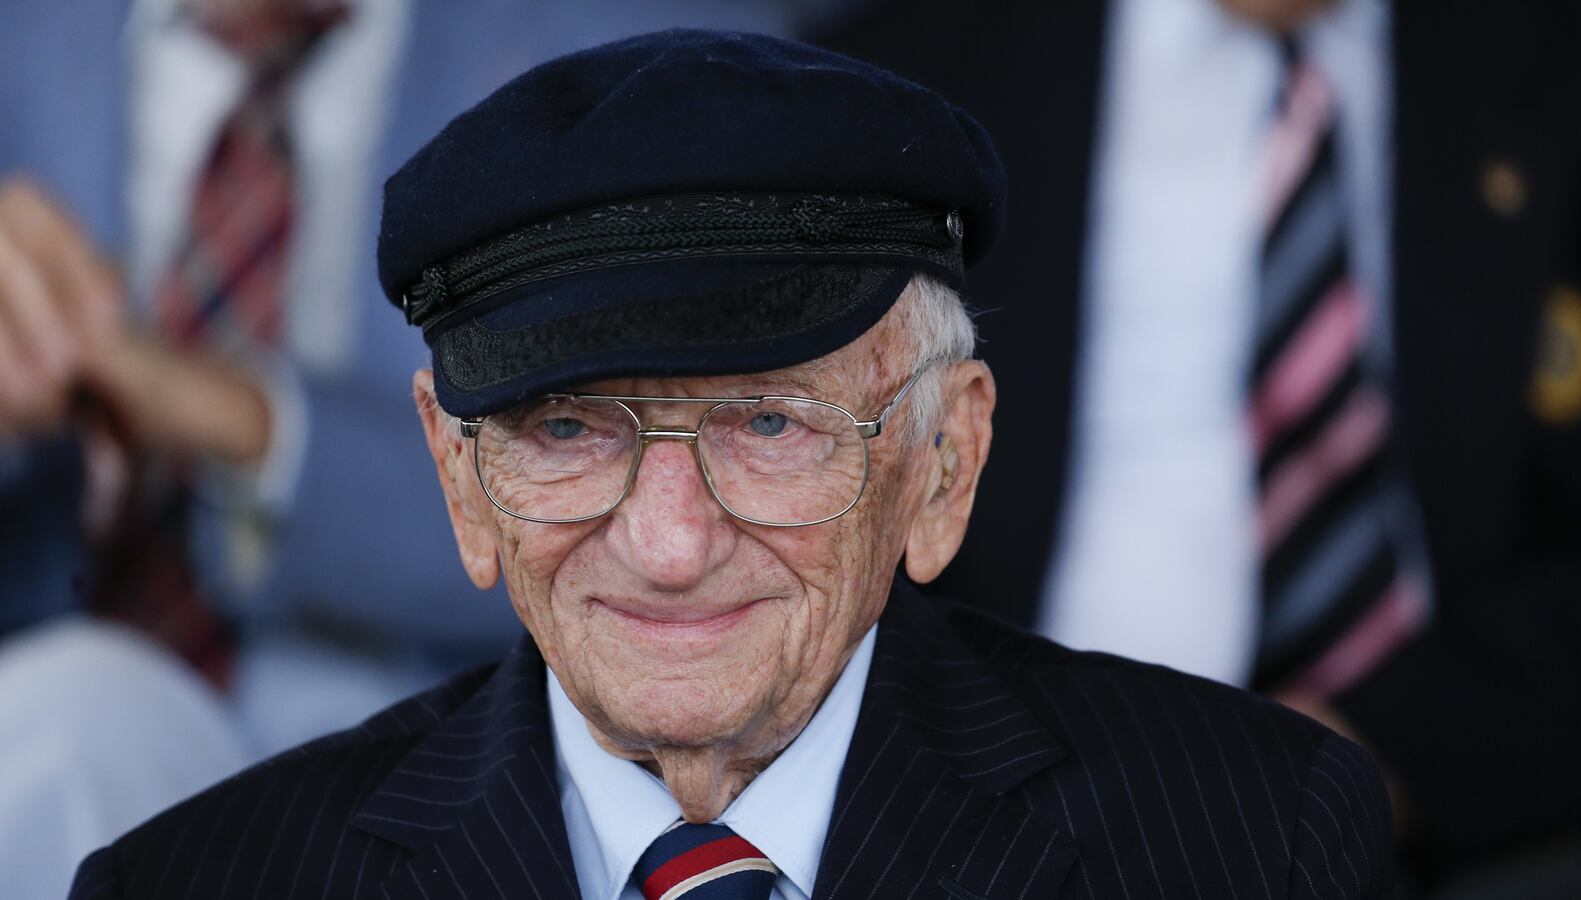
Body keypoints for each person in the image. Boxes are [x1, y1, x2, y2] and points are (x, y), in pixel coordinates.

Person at [68, 29, 1392, 900]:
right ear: (460, 479)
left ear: (945, 459)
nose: (670, 541)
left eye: (770, 426)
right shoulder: (194, 885)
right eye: (570, 429)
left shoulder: (1255, 844)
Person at [820, 0, 1581, 889]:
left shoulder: (1556, 62)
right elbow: (832, 493)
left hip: (1447, 821)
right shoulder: (905, 74)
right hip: (1015, 807)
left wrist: (1377, 756)